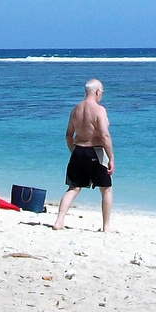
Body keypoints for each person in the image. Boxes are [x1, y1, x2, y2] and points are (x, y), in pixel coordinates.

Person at [53, 79, 114, 232]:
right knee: (106, 189)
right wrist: (111, 158)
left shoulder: (75, 110)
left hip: (78, 150)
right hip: (96, 152)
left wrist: (73, 151)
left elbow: (68, 135)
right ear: (97, 92)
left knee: (73, 188)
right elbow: (104, 136)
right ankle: (106, 227)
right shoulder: (99, 110)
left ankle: (59, 221)